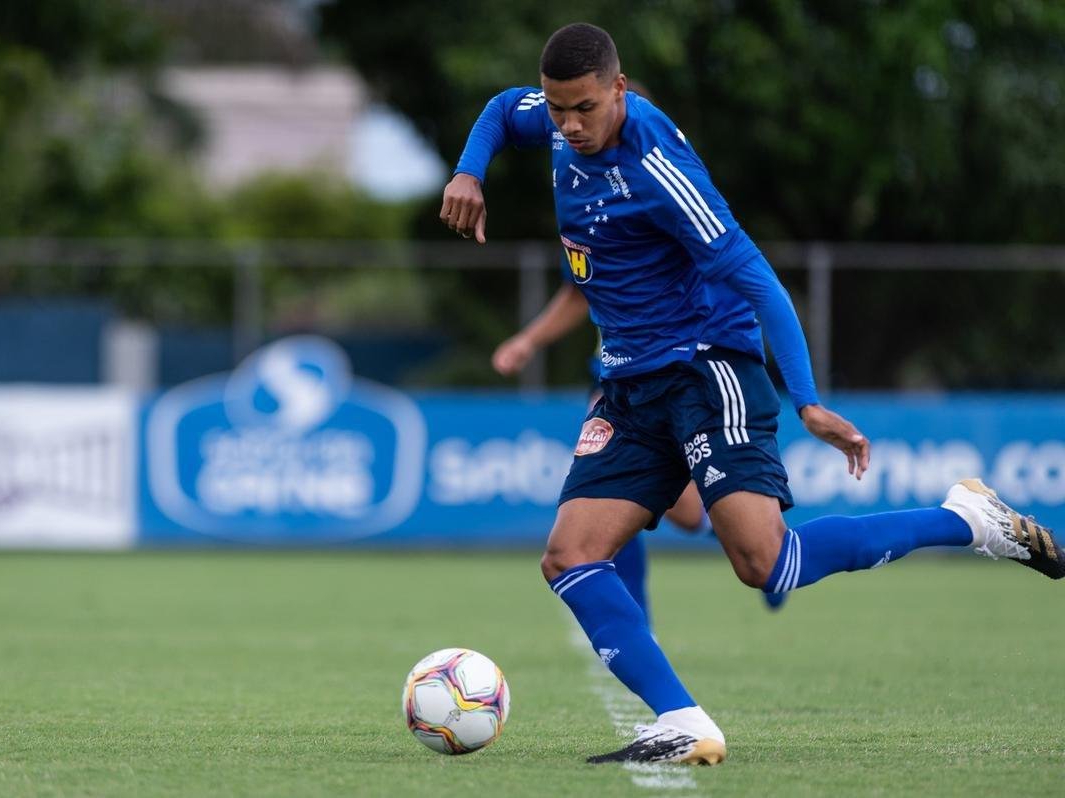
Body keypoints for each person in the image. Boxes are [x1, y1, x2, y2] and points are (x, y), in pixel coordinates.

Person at [440, 22, 1062, 766]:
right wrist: (469, 171)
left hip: (710, 369)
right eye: (557, 108)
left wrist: (805, 400)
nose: (568, 125)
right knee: (568, 555)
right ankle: (682, 719)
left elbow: (756, 277)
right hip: (630, 382)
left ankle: (966, 521)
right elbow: (499, 108)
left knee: (766, 564)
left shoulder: (659, 168)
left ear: (620, 89)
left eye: (583, 109)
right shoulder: (549, 119)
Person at [491, 280, 713, 622]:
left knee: (684, 512)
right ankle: (638, 620)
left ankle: (748, 539)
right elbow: (579, 290)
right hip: (615, 376)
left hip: (677, 370)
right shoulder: (585, 229)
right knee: (616, 495)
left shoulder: (669, 230)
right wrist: (529, 341)